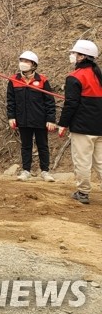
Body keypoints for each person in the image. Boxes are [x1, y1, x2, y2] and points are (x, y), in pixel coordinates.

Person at [58, 39, 102, 205]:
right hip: (100, 126)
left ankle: (83, 192)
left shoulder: (74, 77)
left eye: (74, 53)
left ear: (82, 56)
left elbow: (71, 104)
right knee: (100, 161)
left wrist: (63, 124)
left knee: (82, 161)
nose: (72, 55)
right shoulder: (99, 75)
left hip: (83, 128)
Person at [6, 50, 57, 182]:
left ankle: (45, 171)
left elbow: (50, 101)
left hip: (40, 120)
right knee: (26, 146)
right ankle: (26, 170)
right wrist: (11, 117)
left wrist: (51, 119)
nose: (23, 64)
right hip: (23, 119)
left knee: (43, 145)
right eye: (22, 61)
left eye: (26, 61)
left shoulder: (42, 80)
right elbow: (10, 101)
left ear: (33, 64)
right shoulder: (14, 80)